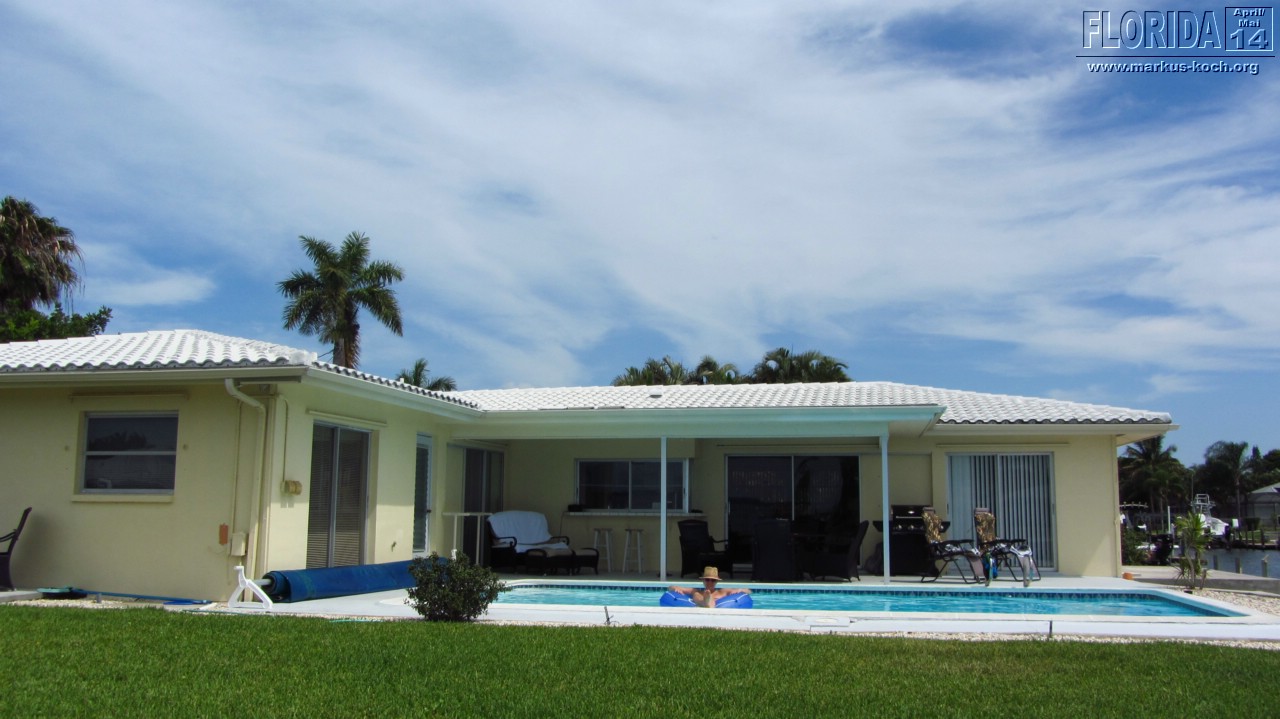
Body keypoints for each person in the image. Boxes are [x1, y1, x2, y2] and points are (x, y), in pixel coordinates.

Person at [667, 566, 749, 608]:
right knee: (696, 594)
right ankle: (705, 602)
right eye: (707, 580)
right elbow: (670, 587)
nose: (710, 582)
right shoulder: (696, 591)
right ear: (703, 580)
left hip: (715, 603)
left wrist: (740, 590)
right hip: (702, 600)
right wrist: (675, 588)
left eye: (712, 580)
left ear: (716, 582)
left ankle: (708, 602)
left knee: (698, 595)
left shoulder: (722, 592)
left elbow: (748, 591)